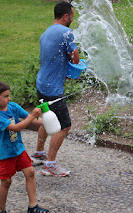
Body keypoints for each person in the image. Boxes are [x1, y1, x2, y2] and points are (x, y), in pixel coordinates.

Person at [31, 1, 80, 177]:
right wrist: (75, 65)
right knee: (64, 127)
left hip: (42, 84)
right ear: (66, 16)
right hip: (53, 90)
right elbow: (75, 59)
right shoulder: (66, 32)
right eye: (72, 16)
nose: (73, 19)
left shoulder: (46, 32)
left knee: (46, 119)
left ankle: (39, 154)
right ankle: (50, 165)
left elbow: (54, 58)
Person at [0, 80, 49, 213]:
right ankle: (2, 210)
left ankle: (33, 207)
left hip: (18, 150)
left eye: (9, 95)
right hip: (4, 154)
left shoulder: (13, 106)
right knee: (6, 182)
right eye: (5, 96)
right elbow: (15, 128)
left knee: (30, 172)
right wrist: (33, 115)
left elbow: (31, 119)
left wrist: (47, 122)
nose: (9, 98)